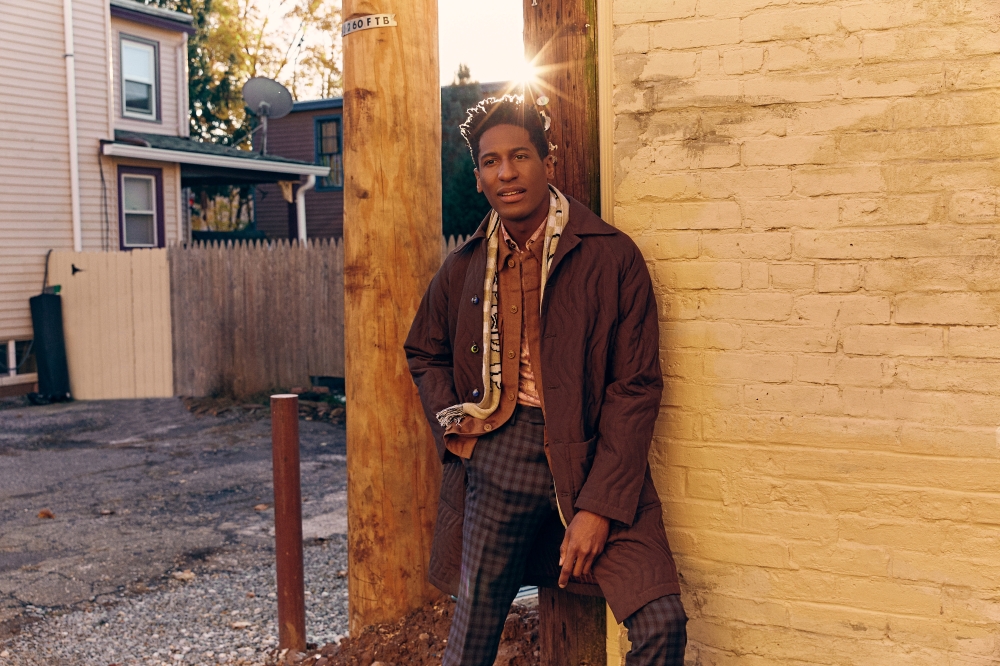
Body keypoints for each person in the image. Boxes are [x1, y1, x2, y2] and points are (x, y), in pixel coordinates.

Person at [404, 94, 685, 666]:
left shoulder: (611, 256)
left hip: (590, 461)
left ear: (547, 163)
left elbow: (635, 388)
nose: (506, 173)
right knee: (470, 645)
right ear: (479, 177)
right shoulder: (463, 268)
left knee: (662, 623)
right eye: (490, 162)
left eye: (520, 156)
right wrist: (459, 437)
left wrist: (599, 508)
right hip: (499, 457)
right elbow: (423, 352)